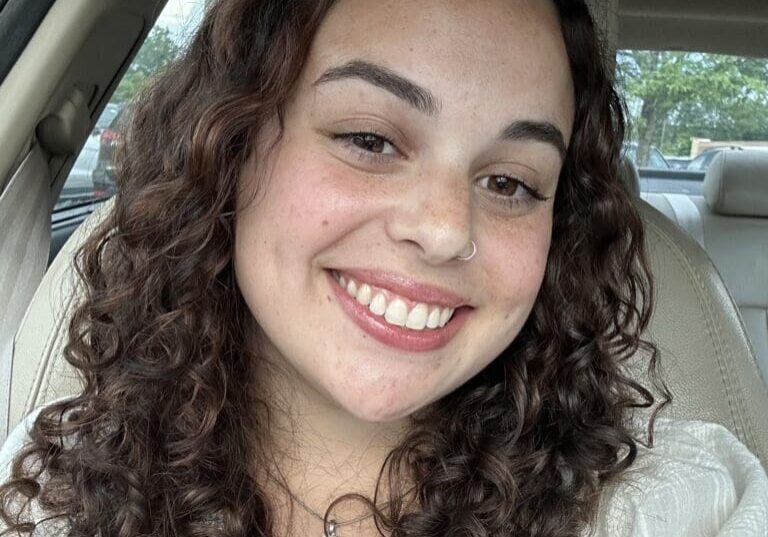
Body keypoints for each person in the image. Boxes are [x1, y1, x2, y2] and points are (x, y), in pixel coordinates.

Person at [1, 1, 767, 536]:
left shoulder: (680, 503)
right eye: (370, 139)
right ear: (226, 149)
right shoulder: (52, 488)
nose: (442, 229)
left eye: (511, 183)